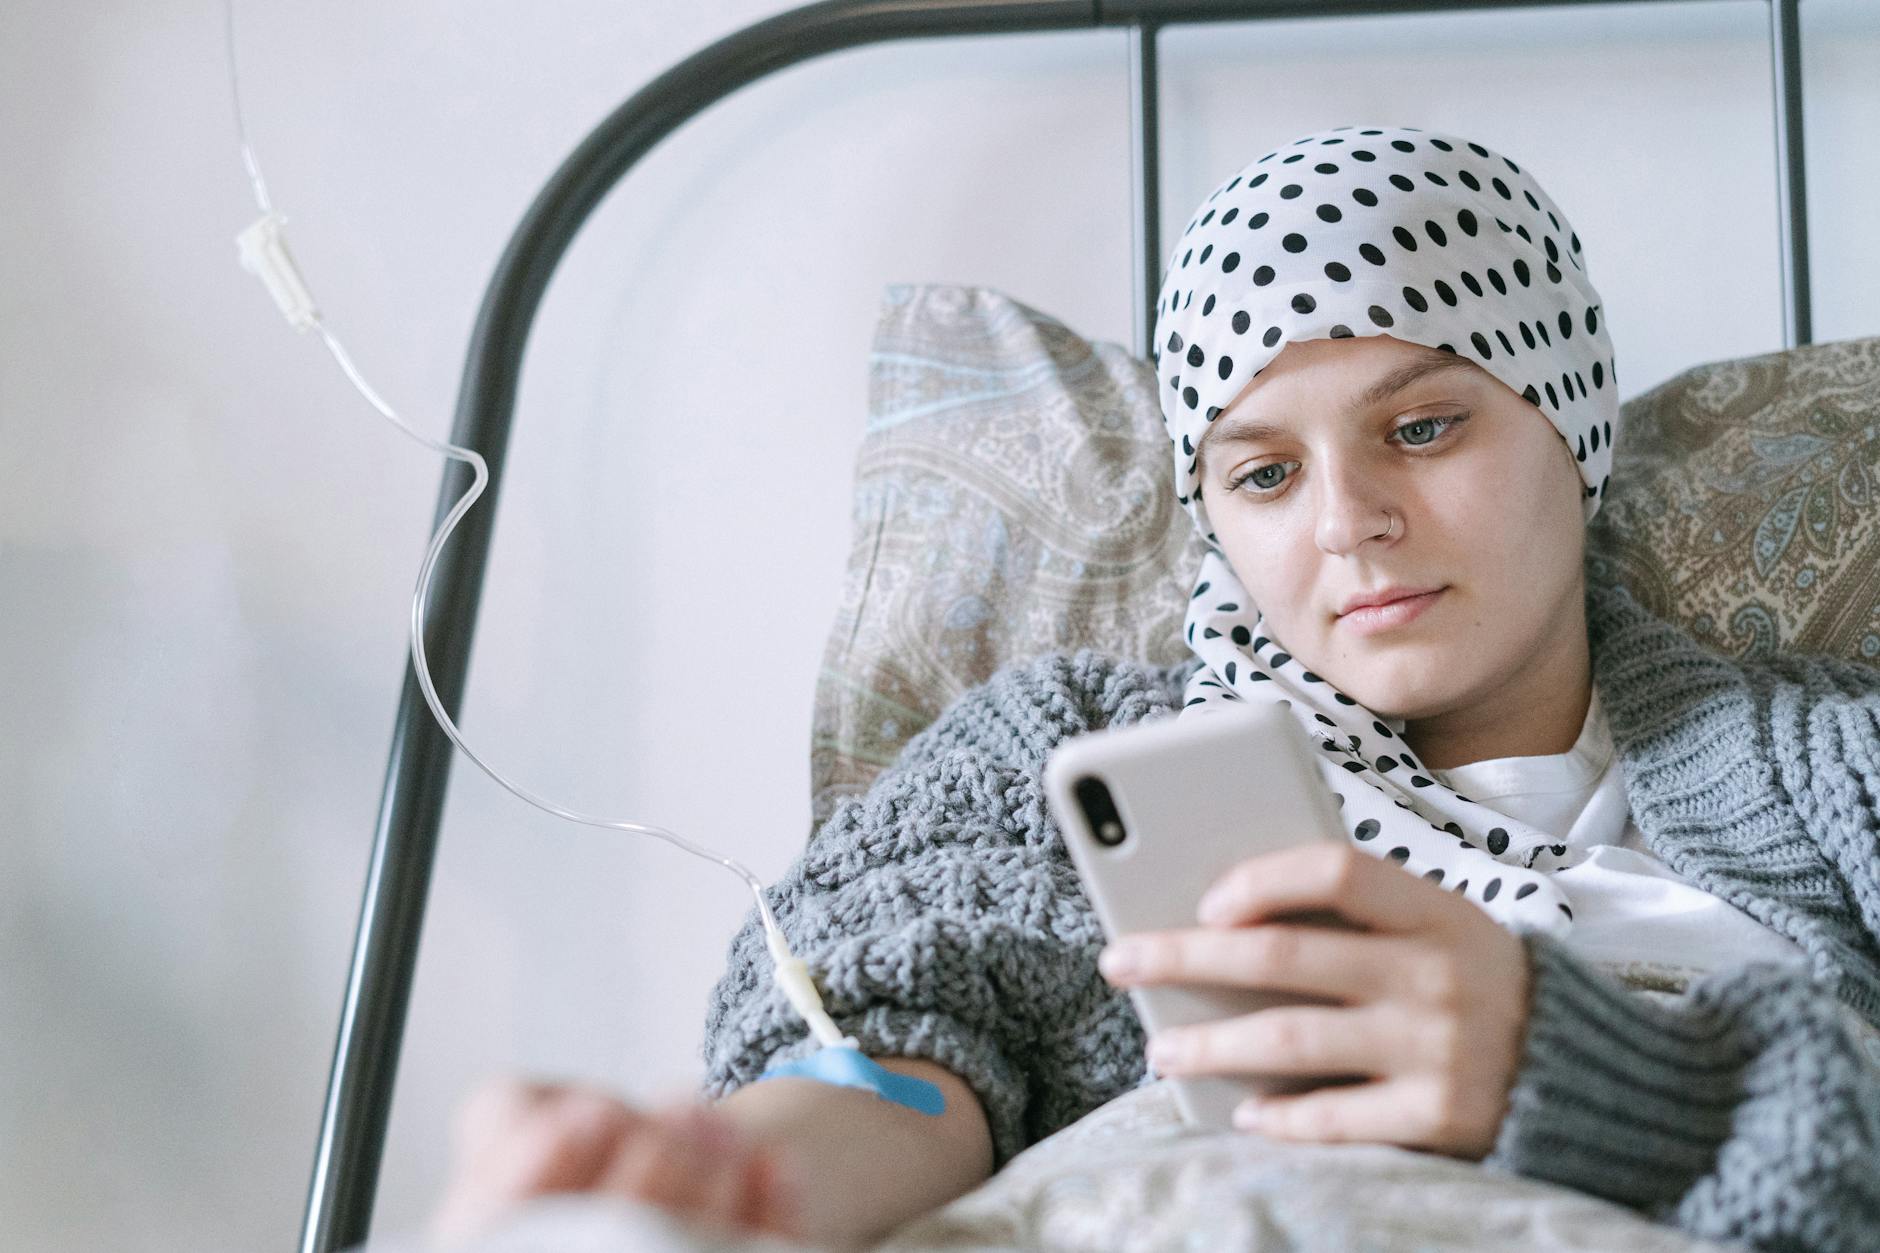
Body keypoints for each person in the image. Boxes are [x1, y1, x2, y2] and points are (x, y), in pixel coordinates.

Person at [426, 127, 1880, 1251]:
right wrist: (725, 1189)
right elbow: (897, 1038)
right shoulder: (1076, 757)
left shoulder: (1844, 771)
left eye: (1424, 426)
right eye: (1262, 471)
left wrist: (1616, 1082)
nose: (1344, 520)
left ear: (1572, 425)